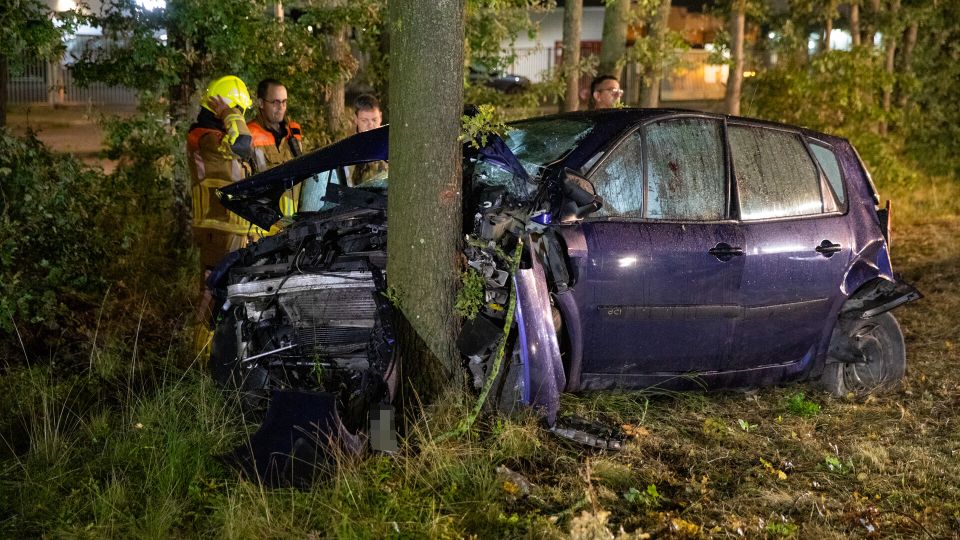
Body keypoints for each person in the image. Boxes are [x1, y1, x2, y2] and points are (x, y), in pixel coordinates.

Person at [186, 75, 256, 269]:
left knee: (228, 293)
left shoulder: (217, 137)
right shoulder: (205, 138)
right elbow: (243, 144)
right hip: (218, 229)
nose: (242, 117)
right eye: (240, 111)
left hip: (229, 228)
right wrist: (229, 113)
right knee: (213, 294)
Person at [247, 78, 303, 217]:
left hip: (293, 222)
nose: (281, 107)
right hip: (264, 222)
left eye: (284, 102)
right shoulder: (249, 134)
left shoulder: (294, 131)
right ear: (260, 103)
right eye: (276, 102)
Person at [349, 93, 388, 185]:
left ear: (381, 117)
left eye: (374, 120)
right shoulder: (348, 150)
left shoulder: (391, 145)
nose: (370, 125)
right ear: (355, 119)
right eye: (364, 120)